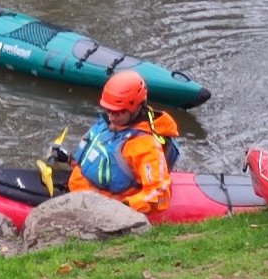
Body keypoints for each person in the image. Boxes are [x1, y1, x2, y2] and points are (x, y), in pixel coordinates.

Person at [65, 71, 181, 214]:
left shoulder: (144, 145)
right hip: (78, 192)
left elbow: (159, 193)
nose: (111, 117)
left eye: (118, 112)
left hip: (101, 208)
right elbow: (95, 161)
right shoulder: (109, 124)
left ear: (136, 107)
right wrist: (68, 159)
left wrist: (124, 207)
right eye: (108, 110)